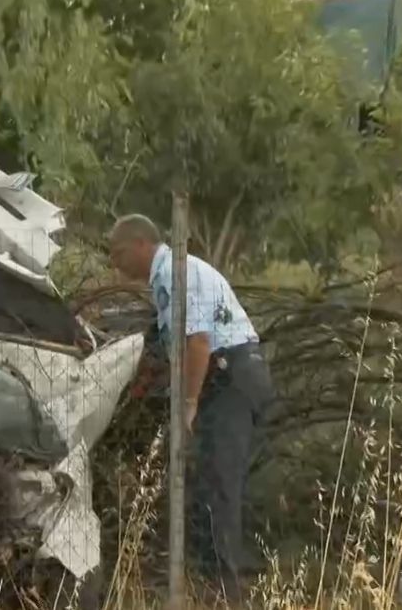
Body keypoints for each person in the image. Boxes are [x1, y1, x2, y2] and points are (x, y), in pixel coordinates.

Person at [107, 214, 274, 604]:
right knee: (209, 485)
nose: (115, 263)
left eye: (119, 253)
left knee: (219, 486)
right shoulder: (167, 278)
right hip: (227, 378)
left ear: (141, 244)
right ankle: (214, 582)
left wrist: (188, 404)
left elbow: (198, 343)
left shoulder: (175, 272)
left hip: (231, 378)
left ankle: (229, 593)